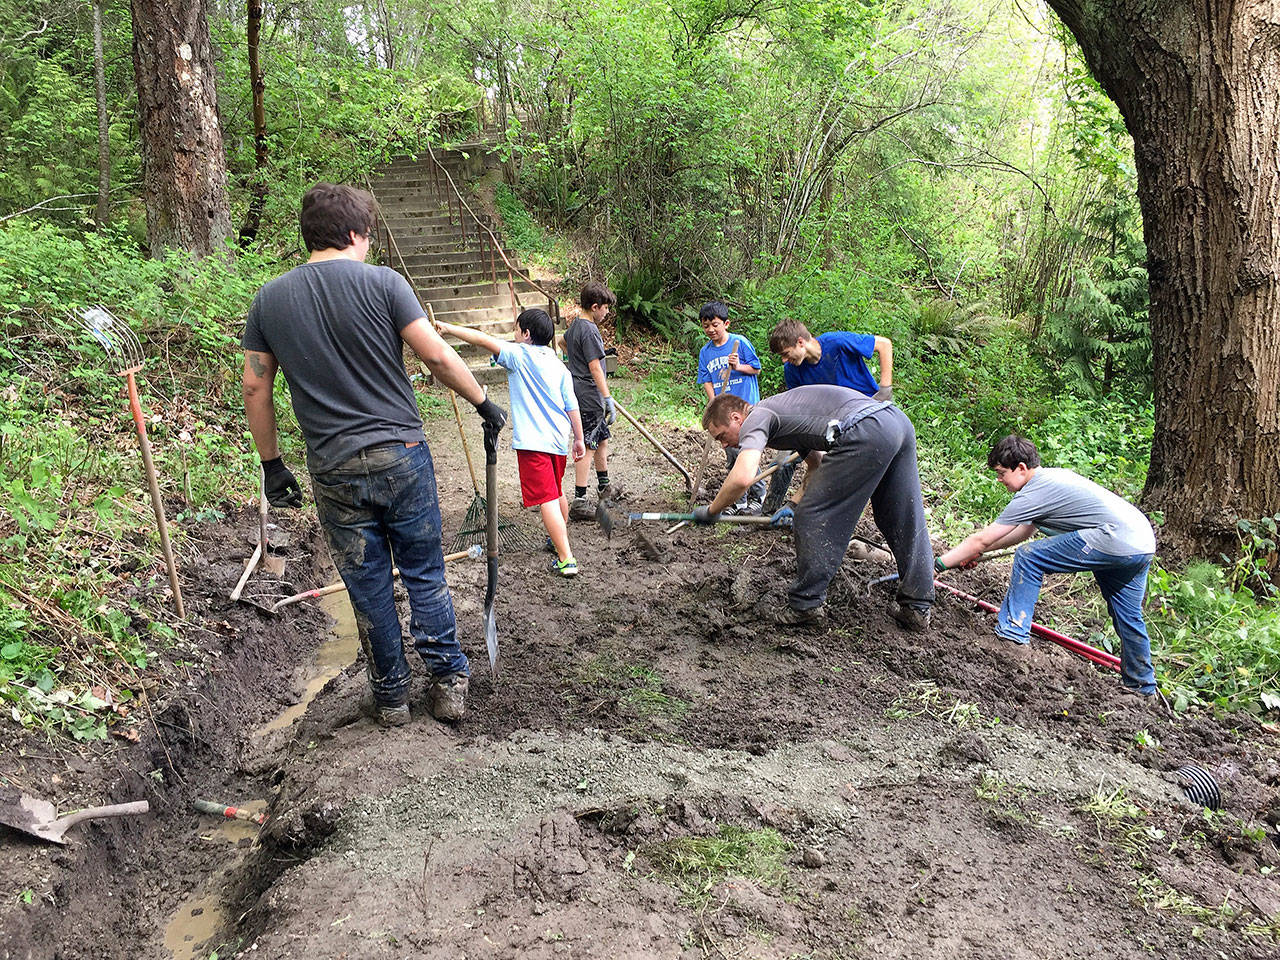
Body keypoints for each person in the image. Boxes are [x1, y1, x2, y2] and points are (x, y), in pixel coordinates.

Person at [242, 182, 506, 728]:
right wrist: (484, 403)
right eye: (368, 236)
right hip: (401, 454)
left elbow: (255, 389)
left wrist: (272, 465)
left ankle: (390, 697)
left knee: (367, 584)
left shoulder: (269, 300)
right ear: (356, 233)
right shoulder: (385, 284)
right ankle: (448, 681)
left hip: (334, 467)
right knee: (423, 571)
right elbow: (435, 355)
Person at [696, 385, 934, 630]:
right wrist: (792, 504)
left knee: (812, 517)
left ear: (737, 418)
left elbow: (742, 478)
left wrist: (712, 511)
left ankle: (805, 605)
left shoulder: (758, 416)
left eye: (722, 436)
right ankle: (917, 605)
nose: (724, 445)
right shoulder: (787, 413)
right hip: (894, 421)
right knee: (901, 515)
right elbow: (816, 465)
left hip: (864, 428)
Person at [936, 435, 1158, 697]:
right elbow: (1023, 532)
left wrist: (938, 565)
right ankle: (1142, 685)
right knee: (1128, 615)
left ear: (1021, 468)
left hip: (1114, 539)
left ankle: (1012, 636)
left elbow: (983, 537)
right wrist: (976, 552)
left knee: (1030, 557)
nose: (999, 480)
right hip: (1141, 544)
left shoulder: (1035, 491)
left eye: (1001, 473)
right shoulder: (1053, 479)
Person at [434, 308, 586, 577]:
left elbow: (481, 339)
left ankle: (566, 558)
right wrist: (579, 439)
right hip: (558, 440)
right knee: (557, 490)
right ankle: (557, 538)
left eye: (517, 329)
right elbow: (571, 405)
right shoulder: (558, 363)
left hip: (534, 443)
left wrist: (448, 328)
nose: (514, 334)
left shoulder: (518, 355)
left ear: (526, 334)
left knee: (547, 498)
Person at [696, 301, 766, 514]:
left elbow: (756, 369)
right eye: (706, 325)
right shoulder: (705, 352)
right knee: (731, 452)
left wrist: (738, 366)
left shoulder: (739, 343)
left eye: (715, 325)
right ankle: (741, 500)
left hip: (744, 410)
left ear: (726, 323)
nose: (710, 330)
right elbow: (706, 379)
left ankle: (758, 495)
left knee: (746, 452)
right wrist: (714, 403)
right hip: (724, 411)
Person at [564, 281, 620, 521]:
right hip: (588, 393)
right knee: (588, 444)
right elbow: (596, 366)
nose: (607, 313)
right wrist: (607, 397)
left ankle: (604, 487)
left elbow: (562, 342)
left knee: (602, 439)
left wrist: (572, 362)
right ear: (595, 306)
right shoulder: (589, 330)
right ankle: (579, 500)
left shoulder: (575, 324)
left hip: (584, 390)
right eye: (605, 308)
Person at [768, 319, 894, 400]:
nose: (784, 360)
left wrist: (885, 390)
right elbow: (799, 404)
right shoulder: (791, 370)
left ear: (800, 342)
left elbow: (884, 345)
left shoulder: (836, 342)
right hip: (836, 421)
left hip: (868, 403)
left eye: (786, 353)